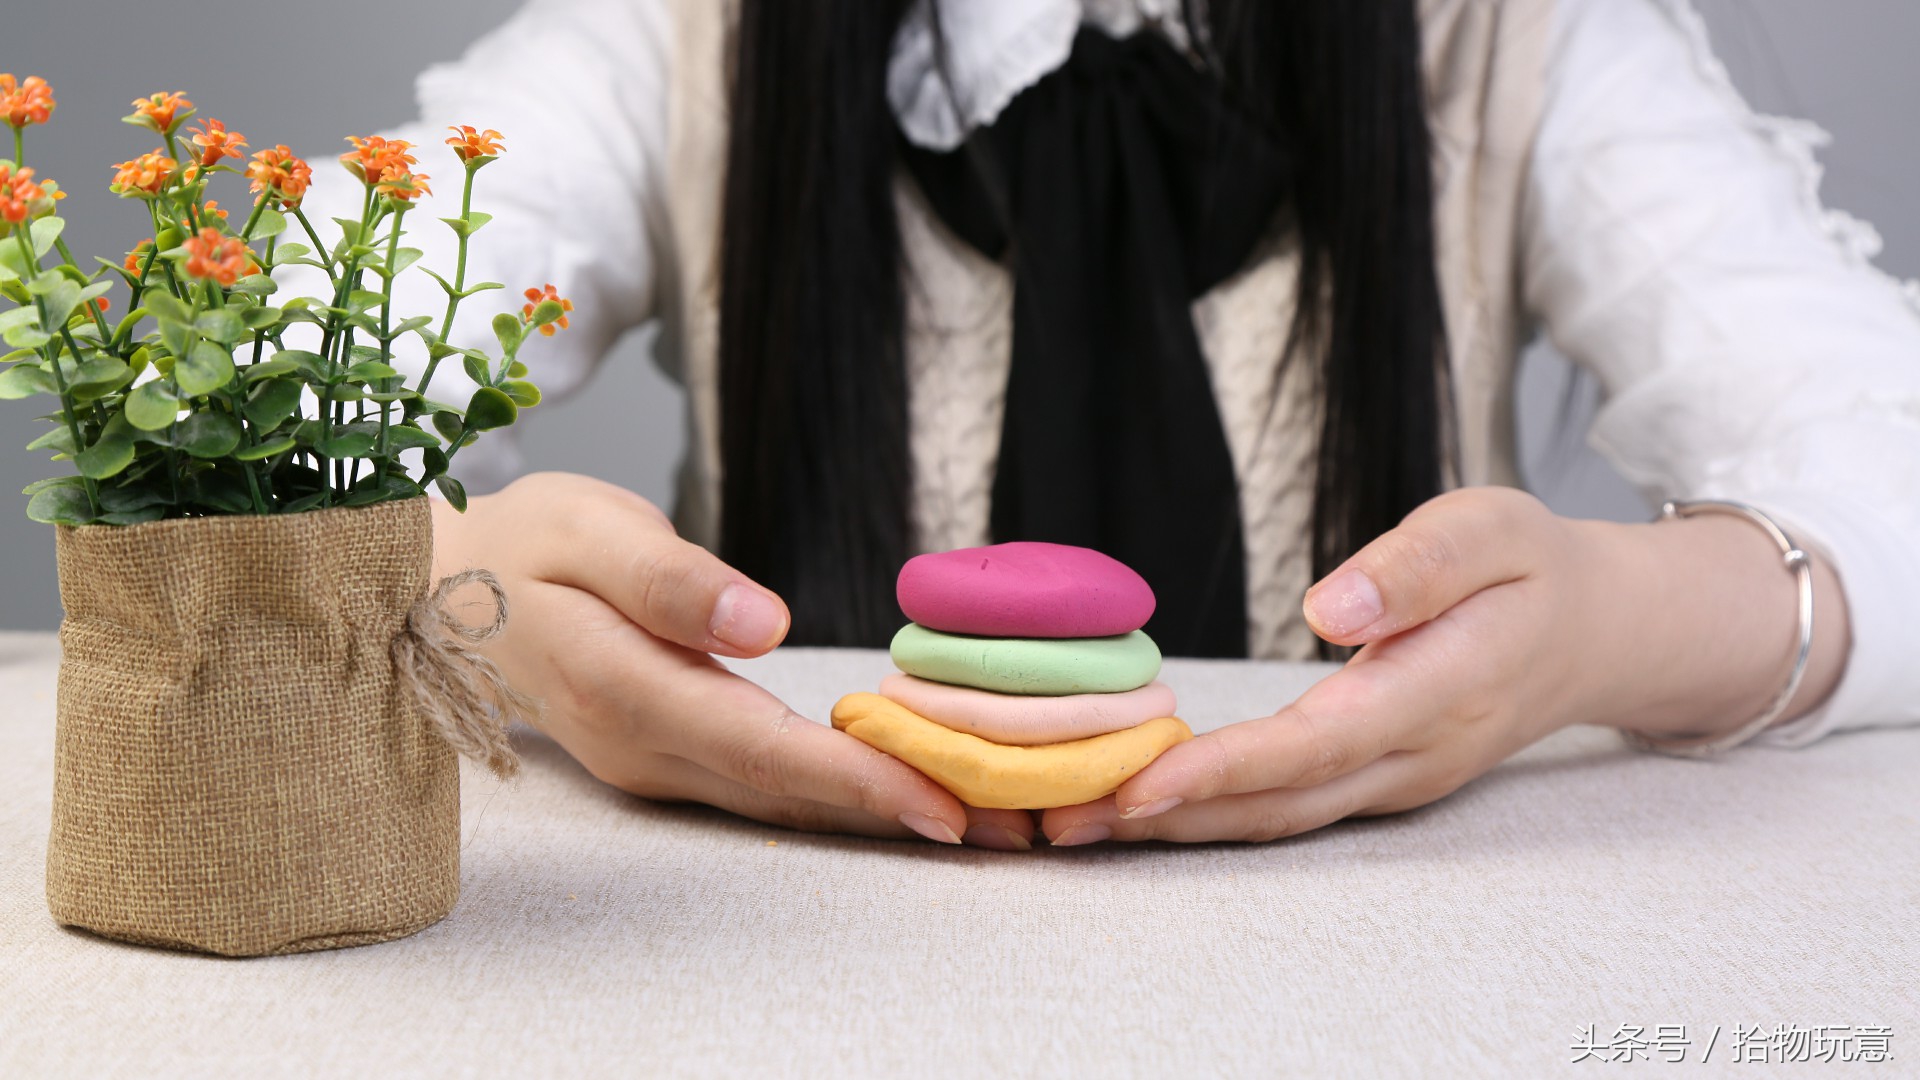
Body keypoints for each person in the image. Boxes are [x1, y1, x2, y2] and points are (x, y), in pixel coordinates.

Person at [293, 0, 1920, 850]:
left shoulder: (1515, 44)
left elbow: (1884, 457)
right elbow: (260, 412)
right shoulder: (680, 44)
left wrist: (1615, 625)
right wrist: (467, 602)